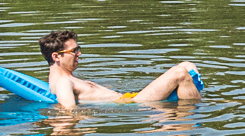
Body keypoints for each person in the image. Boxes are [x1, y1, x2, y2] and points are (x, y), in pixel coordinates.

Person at [40, 30, 202, 110]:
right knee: (179, 73)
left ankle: (190, 101)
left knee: (187, 65)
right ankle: (191, 118)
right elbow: (69, 111)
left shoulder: (69, 78)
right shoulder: (62, 82)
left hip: (130, 97)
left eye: (78, 49)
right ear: (56, 57)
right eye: (74, 51)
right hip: (133, 104)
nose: (79, 53)